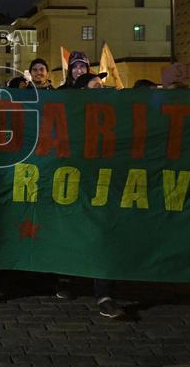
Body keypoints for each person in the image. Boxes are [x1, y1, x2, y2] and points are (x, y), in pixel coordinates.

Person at [56, 75, 127, 319]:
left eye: (101, 85)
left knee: (102, 236)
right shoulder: (70, 116)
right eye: (95, 86)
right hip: (75, 181)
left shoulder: (113, 113)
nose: (101, 89)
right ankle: (65, 278)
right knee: (74, 233)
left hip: (103, 183)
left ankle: (104, 293)